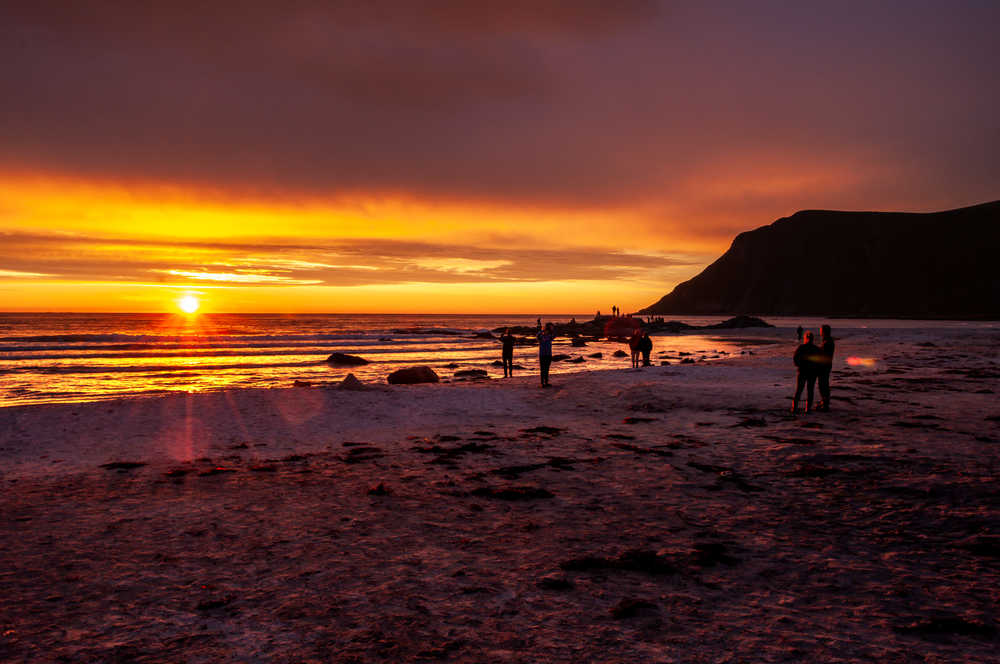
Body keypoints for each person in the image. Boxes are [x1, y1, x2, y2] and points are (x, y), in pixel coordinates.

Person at [792, 330, 821, 413]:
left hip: (803, 371)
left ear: (806, 338)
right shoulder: (816, 349)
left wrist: (798, 365)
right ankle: (807, 408)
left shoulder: (802, 347)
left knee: (799, 389)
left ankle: (795, 407)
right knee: (810, 390)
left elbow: (795, 358)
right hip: (811, 372)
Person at [816, 324, 835, 411]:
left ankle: (825, 403)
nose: (820, 332)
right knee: (823, 384)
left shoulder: (828, 342)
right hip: (825, 365)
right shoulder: (827, 341)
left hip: (824, 366)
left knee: (823, 384)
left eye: (821, 331)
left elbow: (823, 355)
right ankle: (824, 401)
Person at [537, 321, 555, 387]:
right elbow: (537, 337)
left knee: (546, 369)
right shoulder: (540, 334)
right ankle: (542, 383)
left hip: (548, 354)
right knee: (543, 369)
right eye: (551, 327)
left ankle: (546, 382)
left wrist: (549, 331)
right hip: (542, 354)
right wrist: (542, 331)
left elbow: (554, 336)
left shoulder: (550, 335)